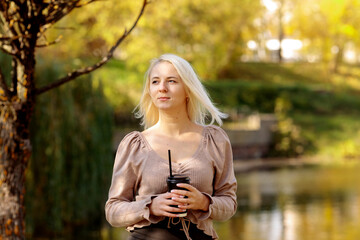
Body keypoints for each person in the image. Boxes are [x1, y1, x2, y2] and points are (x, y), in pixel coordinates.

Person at [105, 54, 237, 240]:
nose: (162, 88)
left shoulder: (215, 140)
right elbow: (113, 211)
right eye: (155, 81)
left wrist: (204, 202)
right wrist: (150, 206)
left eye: (172, 81)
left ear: (187, 90)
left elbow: (229, 203)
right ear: (149, 90)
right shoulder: (135, 145)